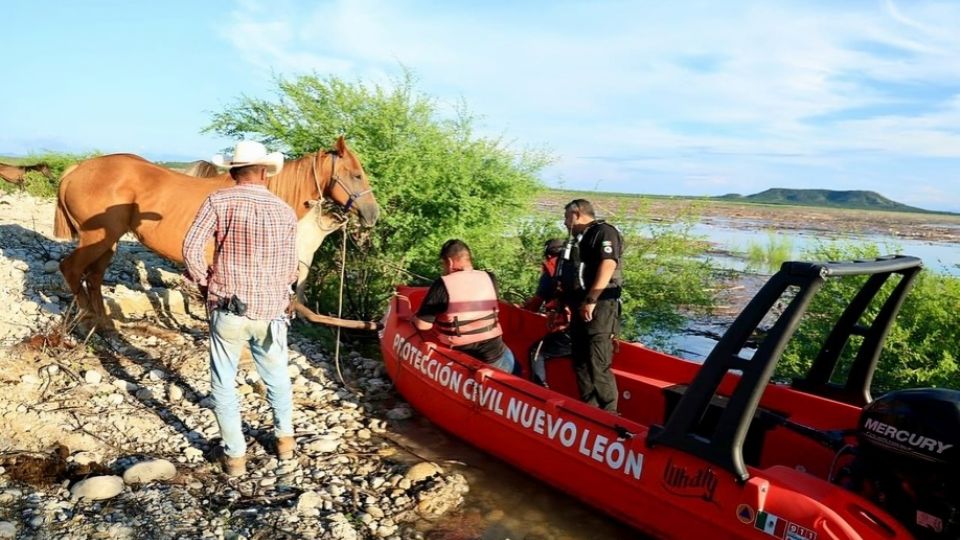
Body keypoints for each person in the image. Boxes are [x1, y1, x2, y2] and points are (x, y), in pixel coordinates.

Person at [182, 140, 299, 477]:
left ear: (233, 171)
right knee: (276, 376)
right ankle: (285, 443)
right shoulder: (285, 210)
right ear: (264, 172)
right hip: (272, 311)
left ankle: (235, 458)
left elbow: (191, 247)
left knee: (223, 381)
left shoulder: (219, 200)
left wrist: (205, 282)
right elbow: (292, 267)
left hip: (228, 307)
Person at [413, 239, 520, 375]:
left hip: (467, 361)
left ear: (450, 262)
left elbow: (423, 325)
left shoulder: (442, 284)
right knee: (518, 368)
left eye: (443, 264)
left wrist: (413, 318)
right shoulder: (489, 278)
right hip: (499, 357)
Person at [562, 199, 624, 412]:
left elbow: (608, 264)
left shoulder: (604, 232)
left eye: (566, 217)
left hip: (601, 307)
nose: (564, 222)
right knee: (580, 361)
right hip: (580, 307)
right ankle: (590, 410)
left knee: (598, 363)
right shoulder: (579, 239)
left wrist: (592, 299)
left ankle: (610, 415)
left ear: (576, 213)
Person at [523, 239, 572, 387]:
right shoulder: (575, 270)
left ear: (549, 255)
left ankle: (539, 388)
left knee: (536, 352)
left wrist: (522, 306)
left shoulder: (551, 273)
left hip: (567, 331)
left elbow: (534, 305)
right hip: (586, 329)